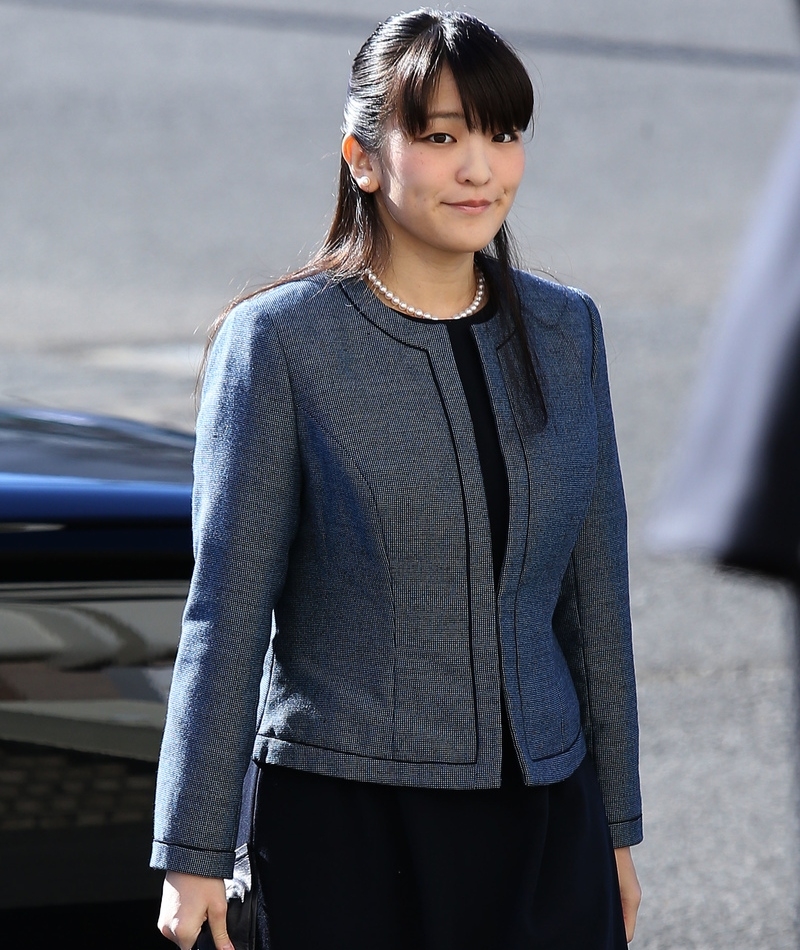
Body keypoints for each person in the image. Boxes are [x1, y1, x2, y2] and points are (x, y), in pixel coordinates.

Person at [152, 10, 642, 950]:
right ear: (364, 157)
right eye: (441, 135)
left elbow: (595, 602)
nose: (479, 168)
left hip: (547, 818)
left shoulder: (566, 331)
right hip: (346, 831)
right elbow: (226, 607)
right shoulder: (283, 343)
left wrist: (616, 829)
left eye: (502, 135)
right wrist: (194, 852)